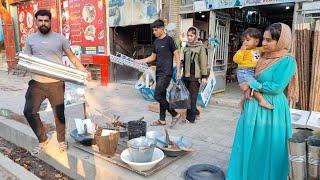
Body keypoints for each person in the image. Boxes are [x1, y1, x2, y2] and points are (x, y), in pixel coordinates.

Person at [227, 23, 298, 180]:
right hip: (253, 105)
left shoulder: (287, 61)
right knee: (248, 145)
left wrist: (252, 85)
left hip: (271, 109)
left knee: (266, 147)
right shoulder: (262, 56)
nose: (264, 43)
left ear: (281, 41)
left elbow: (276, 87)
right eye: (263, 40)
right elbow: (244, 69)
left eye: (269, 40)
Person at [23, 9, 90, 155]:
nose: (43, 23)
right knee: (29, 112)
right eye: (40, 20)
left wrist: (84, 71)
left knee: (59, 114)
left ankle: (61, 141)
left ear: (50, 21)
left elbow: (72, 57)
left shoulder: (60, 39)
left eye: (46, 21)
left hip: (56, 83)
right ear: (36, 22)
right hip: (36, 83)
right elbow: (26, 59)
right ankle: (43, 140)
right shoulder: (30, 39)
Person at [135, 19, 181, 126]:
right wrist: (140, 61)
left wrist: (178, 71)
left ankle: (174, 114)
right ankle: (162, 120)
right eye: (153, 30)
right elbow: (153, 57)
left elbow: (177, 56)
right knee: (162, 96)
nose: (154, 32)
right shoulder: (156, 42)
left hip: (167, 73)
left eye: (155, 30)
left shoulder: (170, 40)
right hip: (159, 72)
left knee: (157, 95)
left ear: (161, 29)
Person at [233, 28, 273, 110]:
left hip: (252, 71)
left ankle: (242, 102)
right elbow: (236, 60)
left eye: (247, 40)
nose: (244, 42)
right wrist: (241, 51)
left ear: (256, 42)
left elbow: (267, 49)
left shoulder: (258, 50)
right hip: (244, 72)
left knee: (249, 89)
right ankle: (261, 100)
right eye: (243, 40)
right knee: (254, 85)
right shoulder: (242, 51)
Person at [181, 27, 207, 123]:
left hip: (195, 77)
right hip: (186, 75)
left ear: (196, 36)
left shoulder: (200, 47)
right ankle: (195, 112)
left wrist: (204, 76)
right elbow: (184, 61)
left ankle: (190, 118)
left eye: (191, 35)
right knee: (187, 97)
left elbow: (203, 63)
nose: (189, 37)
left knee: (192, 98)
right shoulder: (186, 46)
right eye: (188, 35)